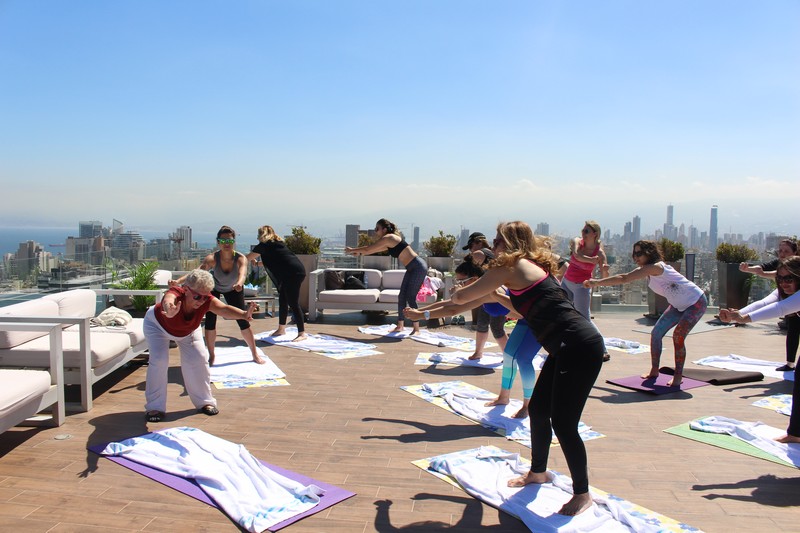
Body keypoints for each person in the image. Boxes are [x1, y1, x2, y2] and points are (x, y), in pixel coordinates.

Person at [449, 221, 605, 516]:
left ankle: (582, 494)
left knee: (564, 423)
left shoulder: (509, 268)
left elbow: (461, 299)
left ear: (509, 243)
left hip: (580, 347)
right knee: (538, 410)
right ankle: (538, 472)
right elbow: (516, 306)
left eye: (496, 240)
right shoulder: (523, 266)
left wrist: (459, 291)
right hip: (564, 347)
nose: (491, 244)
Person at [406, 260, 540, 418]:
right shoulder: (485, 292)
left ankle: (528, 405)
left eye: (462, 281)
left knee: (524, 360)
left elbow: (454, 309)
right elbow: (449, 304)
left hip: (538, 318)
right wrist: (419, 311)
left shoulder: (492, 292)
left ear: (475, 280)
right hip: (525, 319)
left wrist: (421, 315)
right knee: (509, 354)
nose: (459, 285)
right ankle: (504, 397)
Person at [585, 240, 707, 387]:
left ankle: (678, 376)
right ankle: (655, 370)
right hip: (678, 306)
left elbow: (625, 278)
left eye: (639, 253)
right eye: (634, 253)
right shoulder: (648, 270)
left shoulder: (655, 267)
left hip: (696, 302)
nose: (635, 257)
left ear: (649, 253)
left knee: (678, 336)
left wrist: (596, 282)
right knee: (656, 333)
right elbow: (626, 278)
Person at [144, 269, 256, 422]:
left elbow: (224, 309)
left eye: (205, 297)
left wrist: (244, 314)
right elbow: (168, 300)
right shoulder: (177, 293)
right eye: (197, 296)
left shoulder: (207, 300)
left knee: (199, 359)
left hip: (187, 330)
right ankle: (155, 408)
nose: (201, 301)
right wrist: (169, 309)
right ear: (186, 289)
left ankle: (205, 402)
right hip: (157, 325)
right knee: (159, 360)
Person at [720, 256, 800, 444]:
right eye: (780, 279)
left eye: (789, 278)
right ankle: (796, 433)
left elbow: (780, 309)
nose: (784, 283)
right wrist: (738, 314)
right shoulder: (783, 292)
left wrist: (742, 319)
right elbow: (764, 303)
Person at [171, 226, 261, 366]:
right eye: (223, 240)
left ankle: (254, 354)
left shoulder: (240, 258)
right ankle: (212, 355)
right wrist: (178, 281)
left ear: (234, 242)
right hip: (214, 288)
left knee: (243, 321)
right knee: (210, 321)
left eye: (230, 241)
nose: (226, 243)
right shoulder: (212, 258)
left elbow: (242, 273)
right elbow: (195, 274)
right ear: (218, 242)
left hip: (234, 288)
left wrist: (238, 284)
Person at [345, 218, 427, 334]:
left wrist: (352, 249)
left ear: (384, 229)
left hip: (417, 267)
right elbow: (370, 251)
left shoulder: (389, 238)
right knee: (401, 296)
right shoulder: (388, 241)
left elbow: (368, 249)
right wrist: (357, 252)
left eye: (377, 229)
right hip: (411, 268)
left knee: (410, 296)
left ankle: (416, 328)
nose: (375, 231)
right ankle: (400, 326)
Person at [245, 225, 308, 342]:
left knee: (293, 302)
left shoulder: (264, 245)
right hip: (294, 271)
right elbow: (277, 260)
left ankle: (302, 333)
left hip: (293, 274)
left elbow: (245, 259)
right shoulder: (276, 243)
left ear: (260, 235)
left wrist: (229, 258)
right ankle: (281, 329)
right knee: (283, 300)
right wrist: (258, 264)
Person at [561, 220, 610, 361]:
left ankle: (602, 349)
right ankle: (565, 345)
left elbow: (605, 277)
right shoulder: (578, 241)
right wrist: (590, 260)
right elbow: (576, 255)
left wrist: (605, 270)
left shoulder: (600, 253)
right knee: (563, 313)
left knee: (585, 318)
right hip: (566, 282)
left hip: (582, 286)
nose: (583, 233)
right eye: (583, 230)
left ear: (595, 234)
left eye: (586, 231)